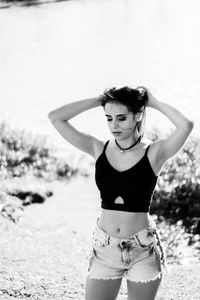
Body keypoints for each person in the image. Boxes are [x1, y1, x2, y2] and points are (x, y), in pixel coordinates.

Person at [48, 86, 194, 300]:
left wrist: (153, 102)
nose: (114, 125)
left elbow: (186, 125)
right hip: (105, 246)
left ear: (138, 115)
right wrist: (99, 100)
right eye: (109, 118)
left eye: (121, 118)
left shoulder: (154, 153)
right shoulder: (98, 148)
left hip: (142, 248)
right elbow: (56, 118)